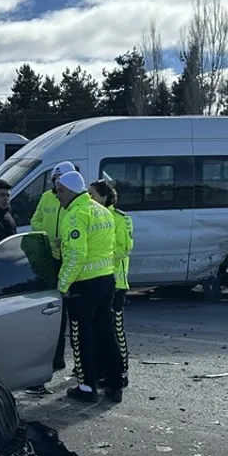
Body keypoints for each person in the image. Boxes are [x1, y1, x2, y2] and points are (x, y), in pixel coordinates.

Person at [56, 170, 124, 404]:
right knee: (105, 333)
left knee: (80, 335)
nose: (57, 196)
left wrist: (63, 285)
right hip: (106, 279)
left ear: (68, 191)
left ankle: (86, 387)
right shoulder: (102, 211)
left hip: (83, 284)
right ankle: (115, 384)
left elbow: (76, 253)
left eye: (59, 191)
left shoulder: (76, 214)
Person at [32, 161, 79, 374]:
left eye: (61, 180)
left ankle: (79, 362)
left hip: (71, 258)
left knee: (76, 315)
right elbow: (36, 221)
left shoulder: (75, 201)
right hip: (52, 257)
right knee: (56, 313)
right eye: (55, 180)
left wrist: (66, 240)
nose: (57, 184)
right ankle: (57, 357)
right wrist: (50, 239)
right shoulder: (47, 198)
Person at [89, 179, 133, 393]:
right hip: (99, 282)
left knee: (116, 330)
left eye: (93, 195)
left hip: (115, 282)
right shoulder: (92, 216)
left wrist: (98, 256)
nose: (90, 199)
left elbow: (123, 249)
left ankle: (121, 371)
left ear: (105, 197)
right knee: (101, 331)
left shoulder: (119, 219)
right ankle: (102, 370)